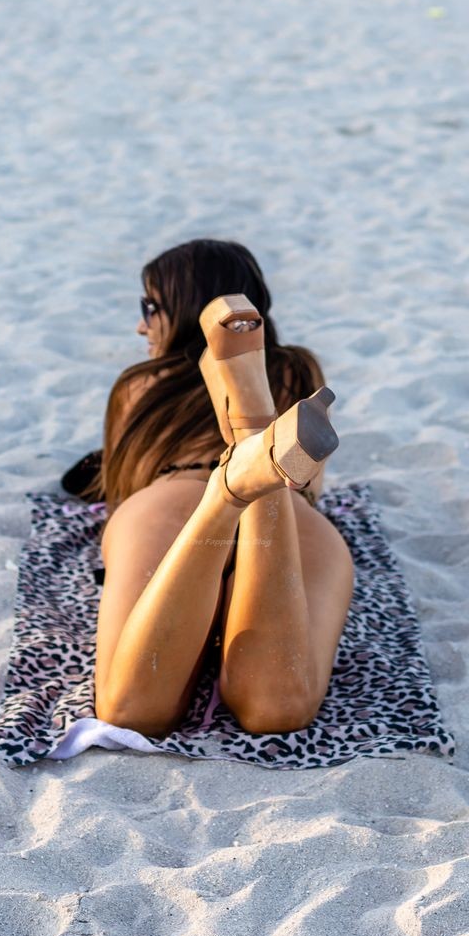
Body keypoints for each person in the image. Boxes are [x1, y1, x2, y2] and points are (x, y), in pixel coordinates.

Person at [67, 239, 355, 741]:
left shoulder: (141, 383)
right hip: (286, 507)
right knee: (277, 710)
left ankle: (226, 492)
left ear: (183, 309)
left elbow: (115, 483)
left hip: (171, 497)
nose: (141, 326)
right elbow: (311, 482)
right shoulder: (297, 371)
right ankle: (253, 436)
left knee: (131, 708)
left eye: (150, 307)